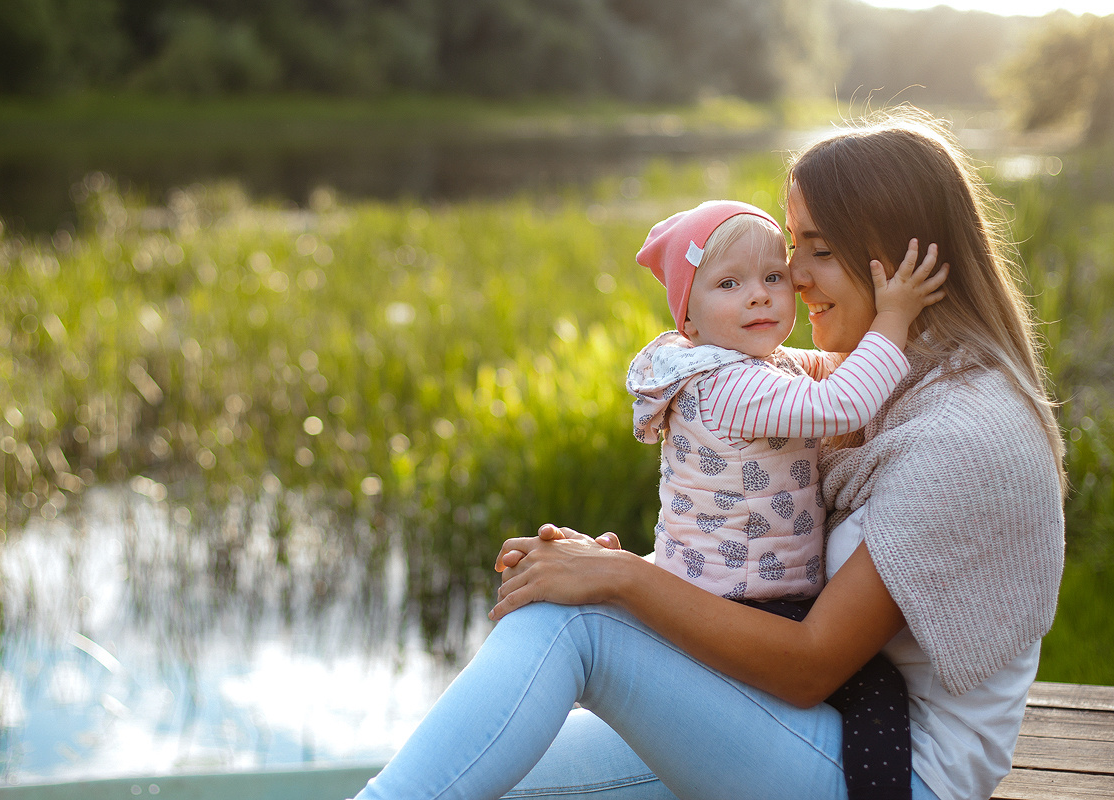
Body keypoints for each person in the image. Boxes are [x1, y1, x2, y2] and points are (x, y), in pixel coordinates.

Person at [351, 107, 1065, 800]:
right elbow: (759, 558)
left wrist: (623, 581)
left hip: (890, 772)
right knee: (494, 768)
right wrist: (636, 570)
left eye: (817, 247)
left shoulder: (962, 435)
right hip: (820, 724)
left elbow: (811, 665)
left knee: (575, 619)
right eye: (794, 245)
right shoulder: (887, 379)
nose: (793, 275)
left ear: (900, 258)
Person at [627, 198, 944, 799]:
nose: (760, 296)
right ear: (687, 318)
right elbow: (844, 402)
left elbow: (833, 369)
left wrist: (901, 350)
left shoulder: (748, 365)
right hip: (744, 600)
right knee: (875, 691)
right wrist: (894, 319)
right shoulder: (733, 384)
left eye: (773, 277)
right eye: (729, 283)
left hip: (730, 590)